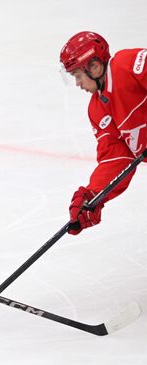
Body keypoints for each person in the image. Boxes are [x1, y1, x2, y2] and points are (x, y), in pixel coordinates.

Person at [59, 31, 147, 235]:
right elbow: (115, 157)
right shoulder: (98, 109)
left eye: (77, 75)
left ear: (95, 67)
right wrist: (93, 196)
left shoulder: (127, 64)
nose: (78, 84)